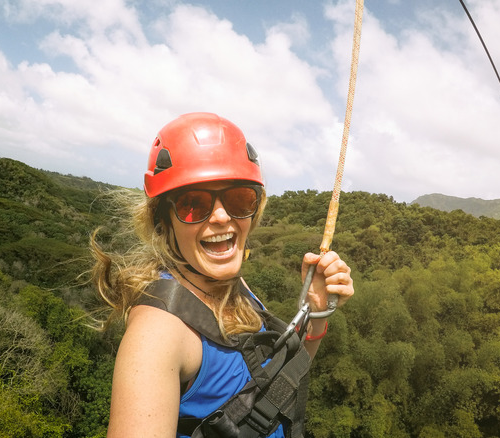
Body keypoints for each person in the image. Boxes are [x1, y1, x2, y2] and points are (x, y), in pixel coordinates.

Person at [90, 112, 354, 437]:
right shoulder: (157, 336)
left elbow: (278, 390)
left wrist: (315, 313)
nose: (220, 217)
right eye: (192, 204)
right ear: (163, 220)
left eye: (238, 199)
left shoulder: (230, 285)